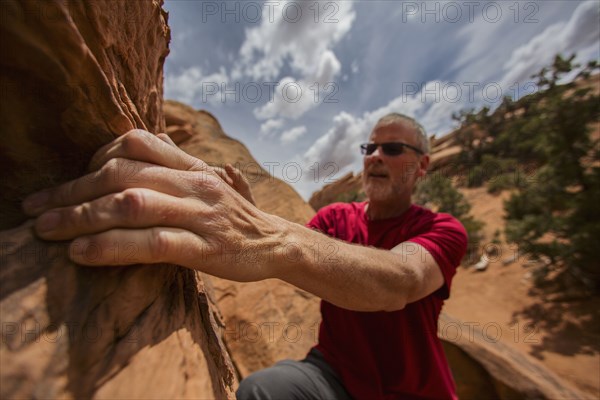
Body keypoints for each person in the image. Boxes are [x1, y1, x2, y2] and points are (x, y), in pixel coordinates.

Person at [23, 113, 467, 399]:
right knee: (262, 391)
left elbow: (404, 280)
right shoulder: (334, 217)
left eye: (392, 149)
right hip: (335, 375)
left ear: (423, 165)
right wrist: (250, 215)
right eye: (369, 148)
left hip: (416, 390)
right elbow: (294, 252)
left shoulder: (443, 230)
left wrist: (267, 235)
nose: (374, 158)